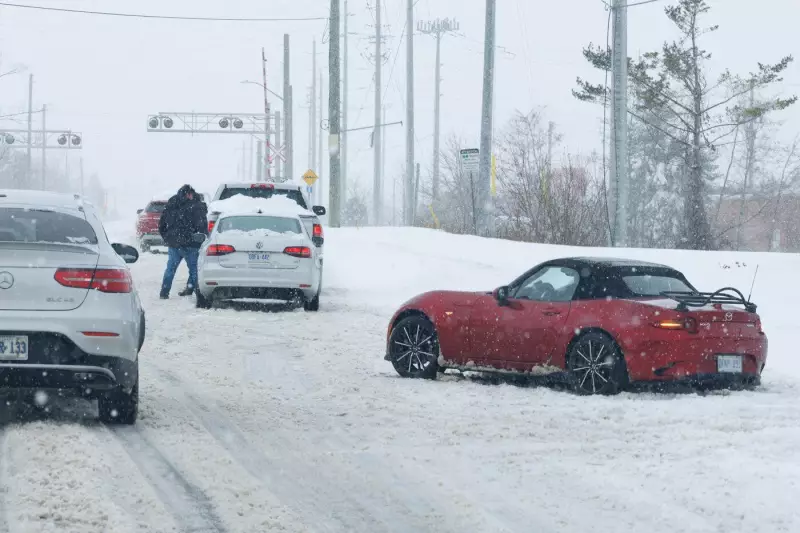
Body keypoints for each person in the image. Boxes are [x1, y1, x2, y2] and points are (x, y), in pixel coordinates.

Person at [158, 185, 207, 299]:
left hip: (175, 244)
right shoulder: (197, 206)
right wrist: (200, 237)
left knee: (170, 269)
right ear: (189, 194)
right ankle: (197, 293)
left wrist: (168, 238)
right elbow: (202, 225)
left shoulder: (172, 204)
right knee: (195, 270)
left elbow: (162, 224)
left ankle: (164, 292)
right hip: (191, 244)